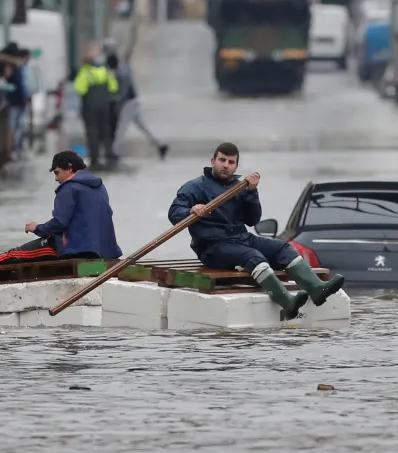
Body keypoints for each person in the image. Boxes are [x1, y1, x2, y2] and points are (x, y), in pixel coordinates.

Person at [168, 142, 345, 319]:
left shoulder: (239, 187)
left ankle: (317, 289)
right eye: (222, 160)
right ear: (213, 161)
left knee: (282, 248)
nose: (226, 165)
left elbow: (252, 220)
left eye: (231, 162)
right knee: (253, 257)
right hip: (213, 247)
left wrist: (252, 193)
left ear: (236, 166)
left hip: (241, 239)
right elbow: (174, 213)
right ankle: (287, 303)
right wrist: (191, 210)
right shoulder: (195, 187)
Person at [0, 150, 123, 288]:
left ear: (69, 168)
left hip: (75, 249)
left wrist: (37, 228)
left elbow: (60, 223)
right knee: (19, 256)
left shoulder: (69, 188)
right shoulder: (100, 188)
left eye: (57, 173)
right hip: (104, 252)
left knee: (15, 255)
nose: (56, 179)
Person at [106, 52, 168, 161]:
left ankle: (116, 152)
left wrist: (116, 103)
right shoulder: (124, 69)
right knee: (143, 127)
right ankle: (160, 145)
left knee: (121, 129)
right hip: (134, 101)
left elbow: (122, 93)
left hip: (128, 104)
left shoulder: (121, 74)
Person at [73, 44, 119, 169]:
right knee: (105, 130)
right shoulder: (104, 71)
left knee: (92, 132)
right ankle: (109, 154)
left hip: (90, 107)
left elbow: (79, 89)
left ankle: (95, 159)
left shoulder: (85, 72)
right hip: (104, 106)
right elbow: (114, 87)